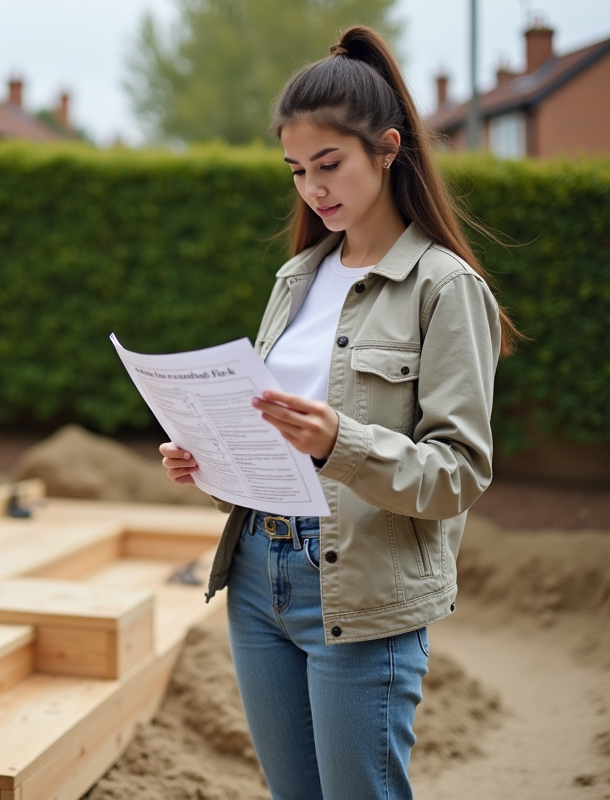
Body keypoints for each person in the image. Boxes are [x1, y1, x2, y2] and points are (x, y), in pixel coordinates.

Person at [158, 25, 521, 800]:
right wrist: (210, 458)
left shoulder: (444, 287)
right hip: (258, 576)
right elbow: (272, 438)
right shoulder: (297, 276)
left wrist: (340, 444)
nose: (312, 188)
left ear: (387, 150)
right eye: (296, 170)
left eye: (329, 164)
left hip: (363, 589)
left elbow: (459, 474)